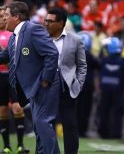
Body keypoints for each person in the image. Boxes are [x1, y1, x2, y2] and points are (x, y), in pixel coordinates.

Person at [0, 1, 60, 154]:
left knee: (43, 123)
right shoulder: (15, 36)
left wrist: (45, 79)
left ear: (16, 17)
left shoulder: (33, 29)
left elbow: (52, 53)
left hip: (45, 86)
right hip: (35, 87)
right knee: (39, 125)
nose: (4, 19)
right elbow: (5, 55)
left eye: (7, 16)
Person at [44, 8, 87, 154]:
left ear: (61, 23)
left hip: (67, 86)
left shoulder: (75, 39)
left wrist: (79, 84)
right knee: (45, 124)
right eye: (46, 20)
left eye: (50, 21)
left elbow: (82, 65)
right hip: (46, 86)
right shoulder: (41, 38)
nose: (46, 23)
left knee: (70, 124)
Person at [0, 6, 29, 154]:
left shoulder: (14, 33)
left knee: (17, 107)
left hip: (13, 75)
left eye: (2, 16)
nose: (0, 19)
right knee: (2, 110)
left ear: (7, 17)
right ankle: (6, 146)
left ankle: (20, 145)